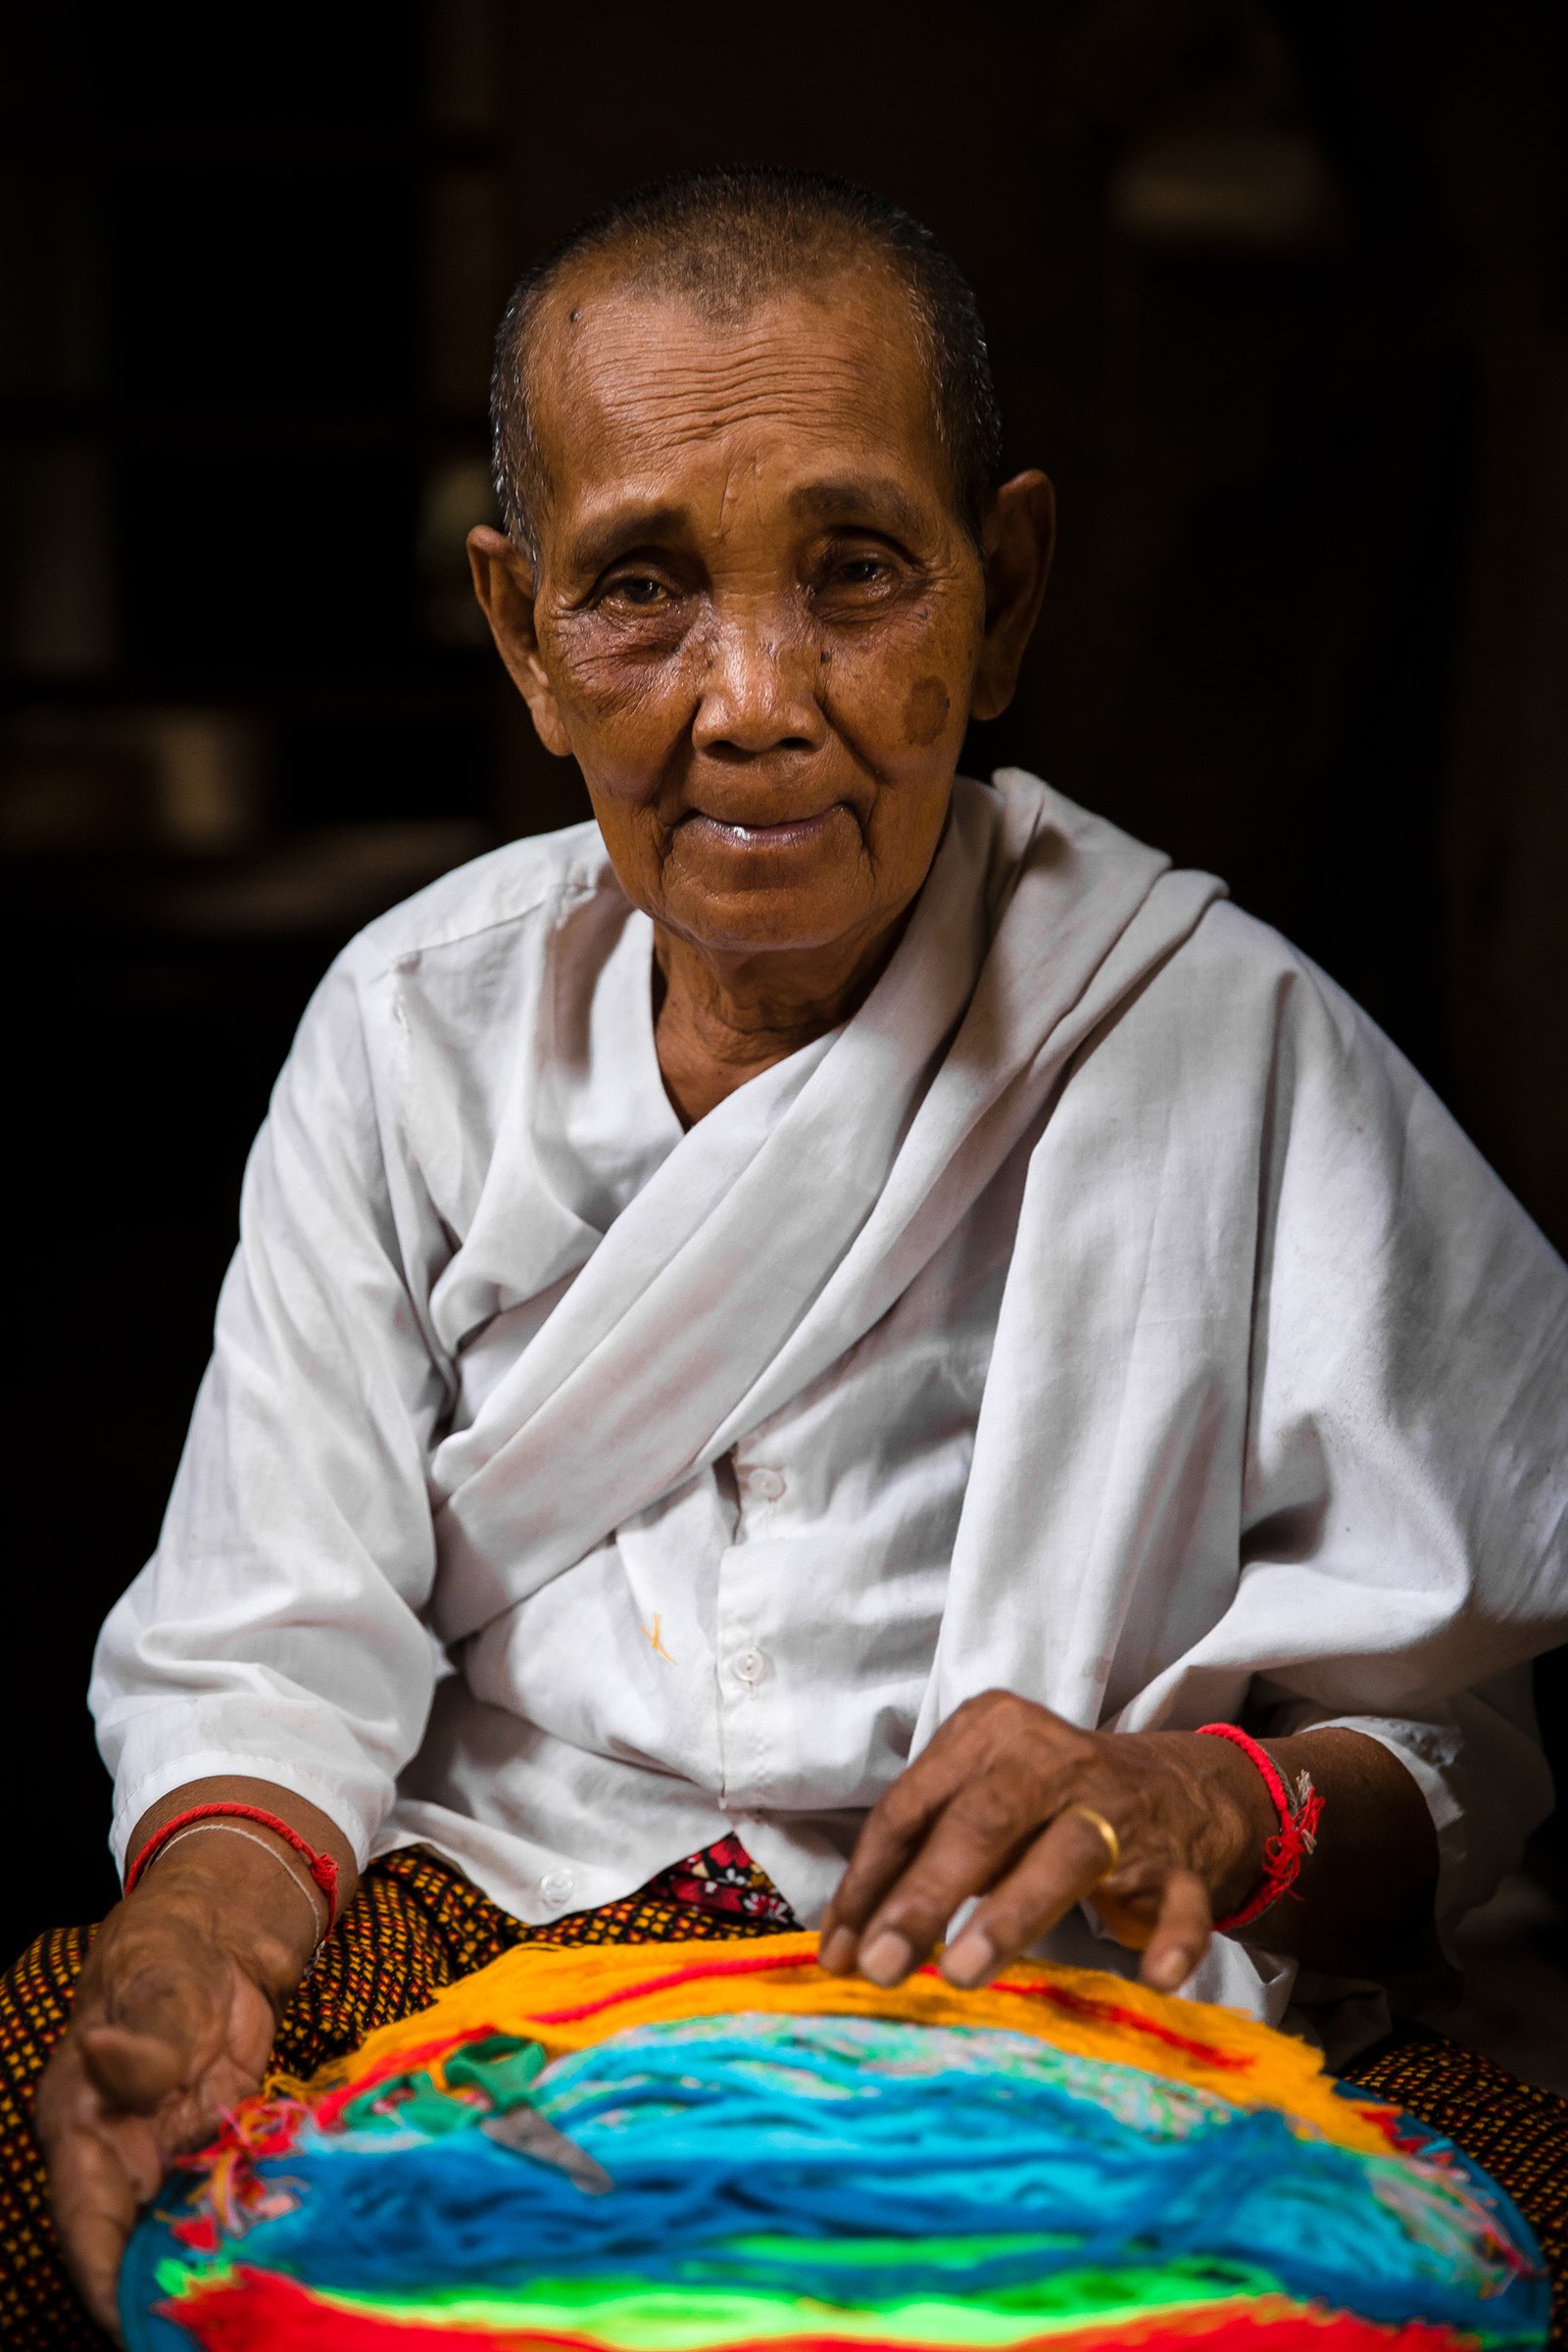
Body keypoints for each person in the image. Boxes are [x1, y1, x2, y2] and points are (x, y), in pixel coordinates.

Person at [5, 168, 1565, 2348]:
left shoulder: (1220, 1038)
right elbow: (270, 1635)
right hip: (500, 1926)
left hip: (1053, 1987)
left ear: (999, 595)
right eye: (639, 591)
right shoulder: (406, 1030)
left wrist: (1192, 1802)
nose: (750, 701)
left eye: (853, 575)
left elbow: (1456, 1754)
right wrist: (188, 1934)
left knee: (1489, 2231)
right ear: (521, 635)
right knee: (68, 2124)